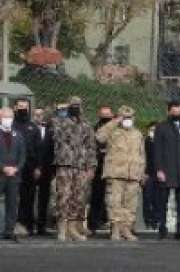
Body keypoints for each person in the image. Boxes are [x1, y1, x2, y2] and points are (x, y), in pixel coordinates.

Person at [95, 106, 146, 241]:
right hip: (116, 173)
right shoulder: (112, 131)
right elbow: (99, 137)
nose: (127, 120)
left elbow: (142, 155)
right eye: (125, 117)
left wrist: (141, 172)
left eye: (130, 117)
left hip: (133, 174)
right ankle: (115, 230)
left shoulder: (138, 134)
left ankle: (126, 229)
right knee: (114, 203)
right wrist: (115, 122)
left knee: (131, 204)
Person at [51, 96, 97, 241]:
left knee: (78, 197)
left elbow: (91, 146)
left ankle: (72, 228)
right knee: (63, 196)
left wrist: (91, 166)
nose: (75, 107)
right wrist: (59, 108)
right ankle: (62, 228)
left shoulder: (86, 124)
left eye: (78, 105)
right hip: (65, 164)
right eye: (73, 105)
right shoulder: (59, 121)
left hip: (81, 165)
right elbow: (54, 129)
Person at [153, 101, 180, 240]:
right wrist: (159, 169)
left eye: (179, 111)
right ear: (168, 112)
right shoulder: (161, 127)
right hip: (166, 170)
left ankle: (179, 229)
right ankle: (162, 228)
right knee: (162, 201)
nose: (176, 114)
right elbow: (157, 150)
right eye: (174, 111)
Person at [15, 101, 53, 236]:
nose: (22, 110)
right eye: (20, 107)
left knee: (35, 198)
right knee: (20, 198)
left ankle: (35, 227)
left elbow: (42, 149)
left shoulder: (42, 128)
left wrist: (39, 167)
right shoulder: (16, 126)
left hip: (38, 168)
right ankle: (20, 224)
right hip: (19, 168)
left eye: (25, 108)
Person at [87, 105, 115, 234]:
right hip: (98, 166)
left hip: (114, 167)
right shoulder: (94, 128)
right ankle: (93, 224)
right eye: (103, 115)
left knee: (113, 197)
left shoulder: (117, 128)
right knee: (96, 196)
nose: (105, 117)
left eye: (107, 115)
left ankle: (113, 224)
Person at [0, 107, 26, 241]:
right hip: (1, 174)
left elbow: (22, 155)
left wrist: (16, 168)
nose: (7, 120)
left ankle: (9, 230)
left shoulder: (18, 134)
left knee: (12, 204)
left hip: (14, 176)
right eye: (5, 117)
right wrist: (3, 168)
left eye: (10, 117)